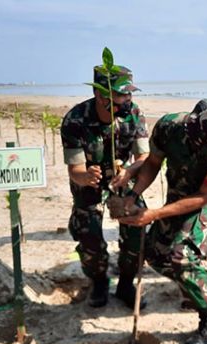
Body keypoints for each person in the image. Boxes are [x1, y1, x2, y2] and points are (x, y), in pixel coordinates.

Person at [118, 101, 207, 344]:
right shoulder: (169, 126)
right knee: (153, 253)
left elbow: (204, 197)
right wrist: (133, 195)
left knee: (180, 256)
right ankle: (203, 283)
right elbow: (152, 162)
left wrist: (154, 214)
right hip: (180, 189)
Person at [61, 65, 149, 308]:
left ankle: (125, 283)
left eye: (129, 93)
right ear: (101, 96)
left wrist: (130, 171)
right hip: (89, 183)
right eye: (121, 95)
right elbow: (74, 170)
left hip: (123, 177)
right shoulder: (75, 120)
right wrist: (86, 176)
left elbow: (143, 158)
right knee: (88, 234)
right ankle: (99, 281)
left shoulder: (133, 113)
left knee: (138, 226)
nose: (127, 100)